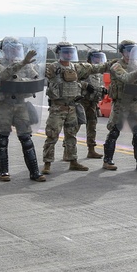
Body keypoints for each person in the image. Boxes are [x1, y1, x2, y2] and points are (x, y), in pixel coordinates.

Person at [42, 41, 109, 175]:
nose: (68, 54)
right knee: (52, 135)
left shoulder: (76, 67)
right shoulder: (52, 68)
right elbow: (35, 73)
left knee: (71, 135)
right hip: (57, 108)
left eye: (70, 51)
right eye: (65, 52)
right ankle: (47, 163)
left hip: (71, 107)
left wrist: (110, 64)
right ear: (59, 53)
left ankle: (73, 161)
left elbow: (95, 68)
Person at [0, 37, 46, 182]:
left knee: (26, 139)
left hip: (21, 105)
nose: (14, 51)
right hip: (4, 105)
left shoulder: (27, 64)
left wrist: (23, 71)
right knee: (2, 139)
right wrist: (22, 64)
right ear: (5, 50)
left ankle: (34, 172)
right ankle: (3, 172)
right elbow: (2, 75)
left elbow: (36, 80)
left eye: (16, 48)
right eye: (11, 48)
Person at [103, 40, 137, 171]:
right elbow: (127, 78)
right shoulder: (116, 66)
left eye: (133, 50)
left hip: (135, 104)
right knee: (114, 132)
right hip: (121, 104)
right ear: (122, 52)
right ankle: (107, 161)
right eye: (127, 50)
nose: (130, 53)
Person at [79, 50, 108, 159]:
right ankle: (68, 151)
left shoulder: (98, 73)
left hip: (92, 102)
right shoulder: (84, 69)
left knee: (92, 125)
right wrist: (85, 85)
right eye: (96, 58)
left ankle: (91, 149)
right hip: (82, 101)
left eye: (100, 58)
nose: (98, 60)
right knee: (74, 126)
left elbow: (99, 85)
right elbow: (73, 80)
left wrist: (102, 90)